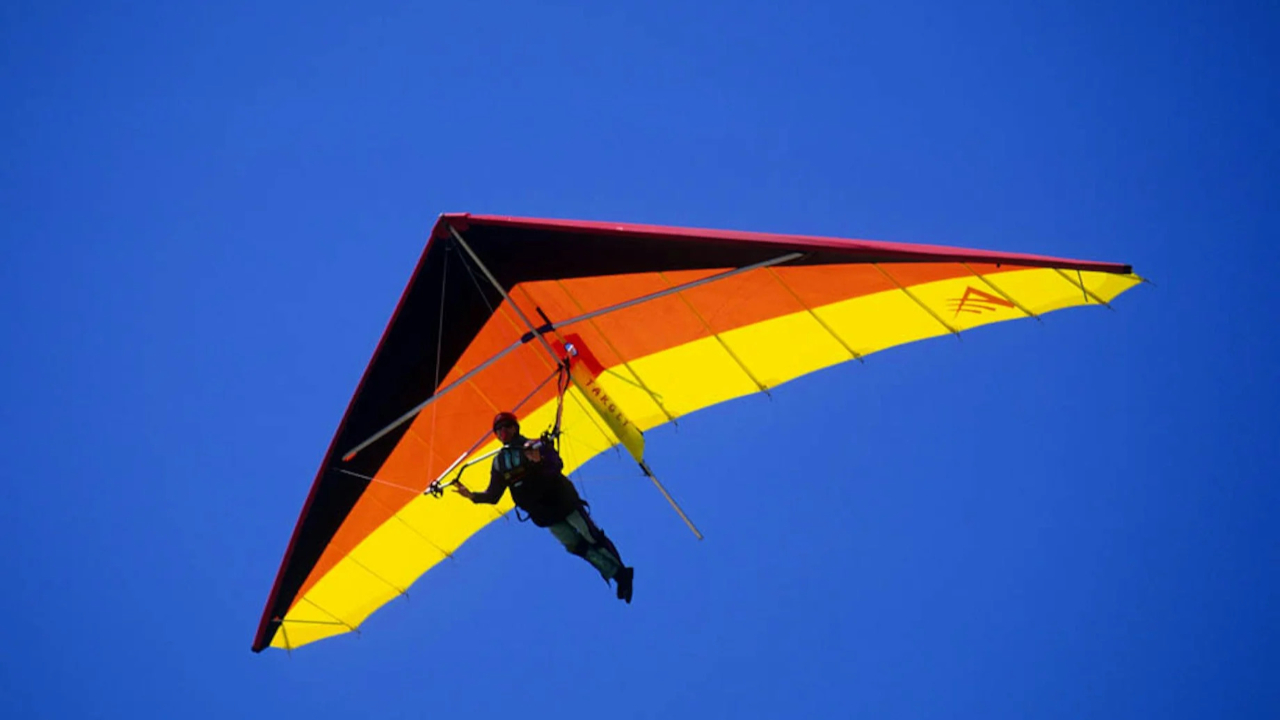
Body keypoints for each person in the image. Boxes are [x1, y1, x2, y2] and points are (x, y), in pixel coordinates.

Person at [454, 411, 635, 603]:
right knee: (576, 546)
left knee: (590, 535)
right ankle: (617, 575)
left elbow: (557, 464)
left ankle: (623, 572)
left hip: (563, 501)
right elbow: (493, 495)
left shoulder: (535, 445)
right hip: (544, 514)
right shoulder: (499, 463)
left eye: (506, 426)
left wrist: (539, 460)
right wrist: (471, 495)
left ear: (515, 427)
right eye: (498, 430)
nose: (503, 432)